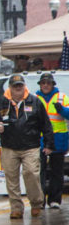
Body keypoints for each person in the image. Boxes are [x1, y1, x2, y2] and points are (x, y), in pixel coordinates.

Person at [0, 73, 54, 219]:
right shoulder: (1, 102)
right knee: (11, 178)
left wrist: (49, 144)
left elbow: (46, 124)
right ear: (10, 87)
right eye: (15, 86)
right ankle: (16, 208)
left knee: (31, 173)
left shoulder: (35, 101)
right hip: (9, 146)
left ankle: (36, 203)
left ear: (24, 86)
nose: (18, 88)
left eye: (20, 85)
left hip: (30, 146)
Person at [35, 72, 69, 208]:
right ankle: (40, 200)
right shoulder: (35, 98)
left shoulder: (62, 97)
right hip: (40, 140)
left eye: (48, 83)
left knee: (57, 172)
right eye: (43, 83)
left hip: (58, 140)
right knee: (39, 172)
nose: (45, 85)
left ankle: (55, 200)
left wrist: (62, 110)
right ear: (40, 85)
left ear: (52, 84)